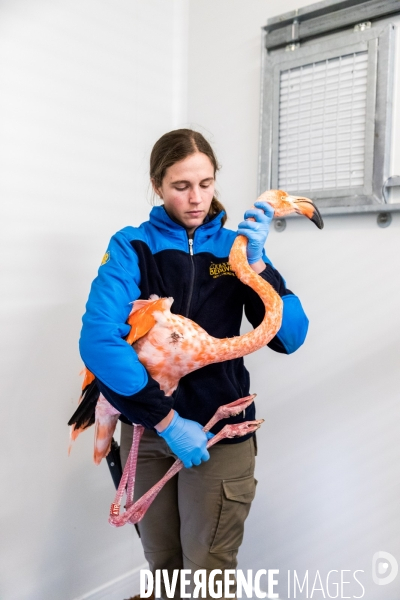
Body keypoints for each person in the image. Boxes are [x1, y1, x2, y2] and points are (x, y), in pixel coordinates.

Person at [79, 129, 309, 600]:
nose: (196, 198)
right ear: (157, 184)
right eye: (181, 186)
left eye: (206, 183)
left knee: (208, 576)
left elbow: (290, 337)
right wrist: (164, 419)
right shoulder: (132, 247)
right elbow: (99, 340)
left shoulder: (236, 250)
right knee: (163, 569)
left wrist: (261, 266)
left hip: (220, 435)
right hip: (149, 430)